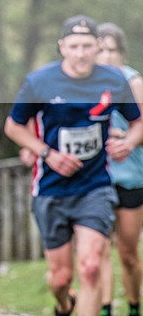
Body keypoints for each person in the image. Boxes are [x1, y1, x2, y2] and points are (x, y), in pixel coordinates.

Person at [4, 15, 143, 316]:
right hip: (51, 190)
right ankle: (64, 304)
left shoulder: (113, 80)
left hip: (95, 186)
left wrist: (129, 142)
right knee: (60, 278)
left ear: (97, 47)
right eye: (74, 46)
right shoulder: (40, 82)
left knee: (91, 266)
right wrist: (47, 154)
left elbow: (138, 123)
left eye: (87, 46)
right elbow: (13, 127)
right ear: (62, 47)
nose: (81, 54)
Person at [97, 23, 143, 316]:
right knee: (97, 251)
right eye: (100, 50)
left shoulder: (133, 82)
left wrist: (126, 139)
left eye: (111, 50)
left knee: (127, 253)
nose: (106, 56)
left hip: (130, 175)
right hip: (96, 178)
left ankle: (134, 306)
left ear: (122, 53)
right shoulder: (83, 82)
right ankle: (104, 309)